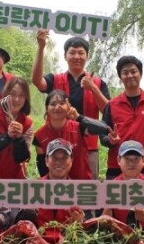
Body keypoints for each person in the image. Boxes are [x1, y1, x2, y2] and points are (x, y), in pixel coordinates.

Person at [31, 30, 111, 177]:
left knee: (86, 192)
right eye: (72, 53)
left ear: (87, 56)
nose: (76, 57)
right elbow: (37, 81)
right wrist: (41, 48)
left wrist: (93, 88)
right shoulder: (55, 79)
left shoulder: (98, 83)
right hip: (57, 147)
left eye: (81, 53)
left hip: (88, 146)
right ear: (65, 56)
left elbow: (109, 111)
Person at [101, 55, 144, 179]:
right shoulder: (112, 105)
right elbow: (102, 135)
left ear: (140, 74)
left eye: (133, 71)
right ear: (120, 77)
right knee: (114, 199)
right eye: (125, 73)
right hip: (116, 166)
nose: (129, 76)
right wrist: (110, 141)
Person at [33, 89, 109, 179]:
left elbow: (105, 128)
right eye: (53, 104)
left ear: (69, 106)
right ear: (47, 109)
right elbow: (43, 168)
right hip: (55, 187)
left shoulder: (79, 127)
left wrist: (79, 117)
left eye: (62, 103)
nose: (57, 107)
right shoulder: (39, 135)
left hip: (80, 185)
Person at [34, 139, 96, 243]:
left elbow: (88, 231)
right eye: (54, 157)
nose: (59, 162)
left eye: (64, 158)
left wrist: (79, 221)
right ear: (46, 161)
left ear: (71, 161)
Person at [101, 141, 144, 235]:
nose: (131, 163)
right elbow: (99, 225)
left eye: (136, 159)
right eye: (127, 159)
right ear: (119, 160)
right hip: (116, 243)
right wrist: (108, 208)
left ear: (143, 160)